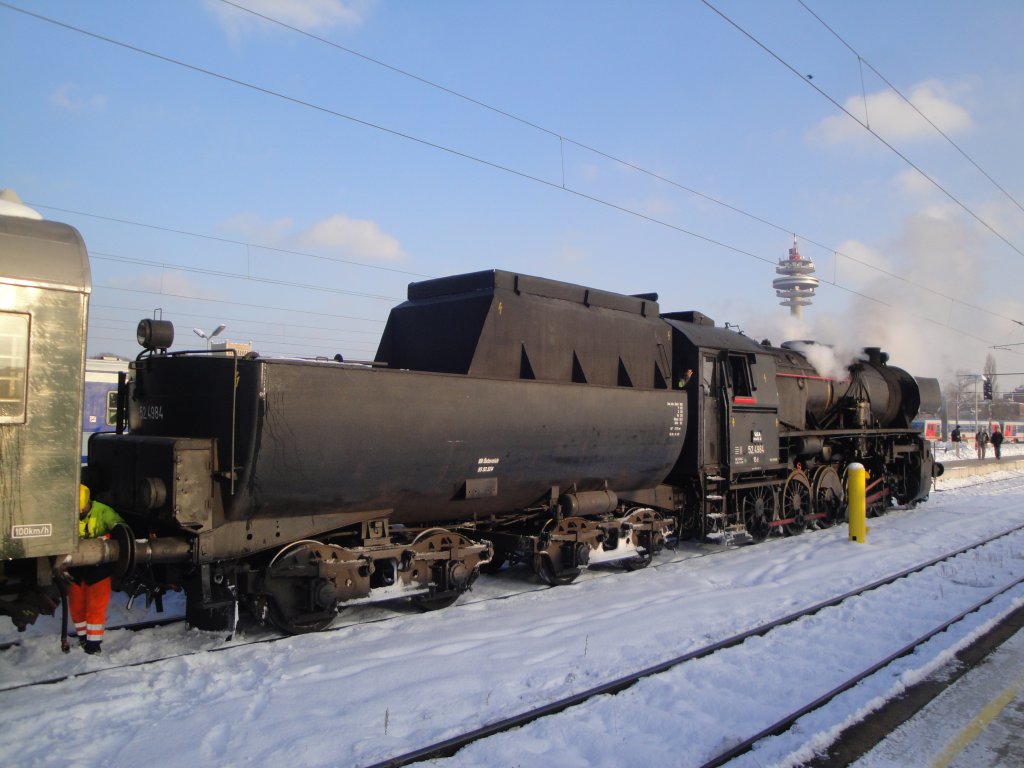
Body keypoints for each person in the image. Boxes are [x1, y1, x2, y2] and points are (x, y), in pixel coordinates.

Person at [69, 485, 124, 654]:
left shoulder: (103, 512)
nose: (80, 512)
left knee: (96, 607)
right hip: (76, 568)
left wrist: (107, 538)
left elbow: (122, 529)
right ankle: (83, 638)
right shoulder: (68, 513)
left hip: (99, 569)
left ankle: (93, 645)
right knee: (76, 605)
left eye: (82, 509)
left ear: (88, 502)